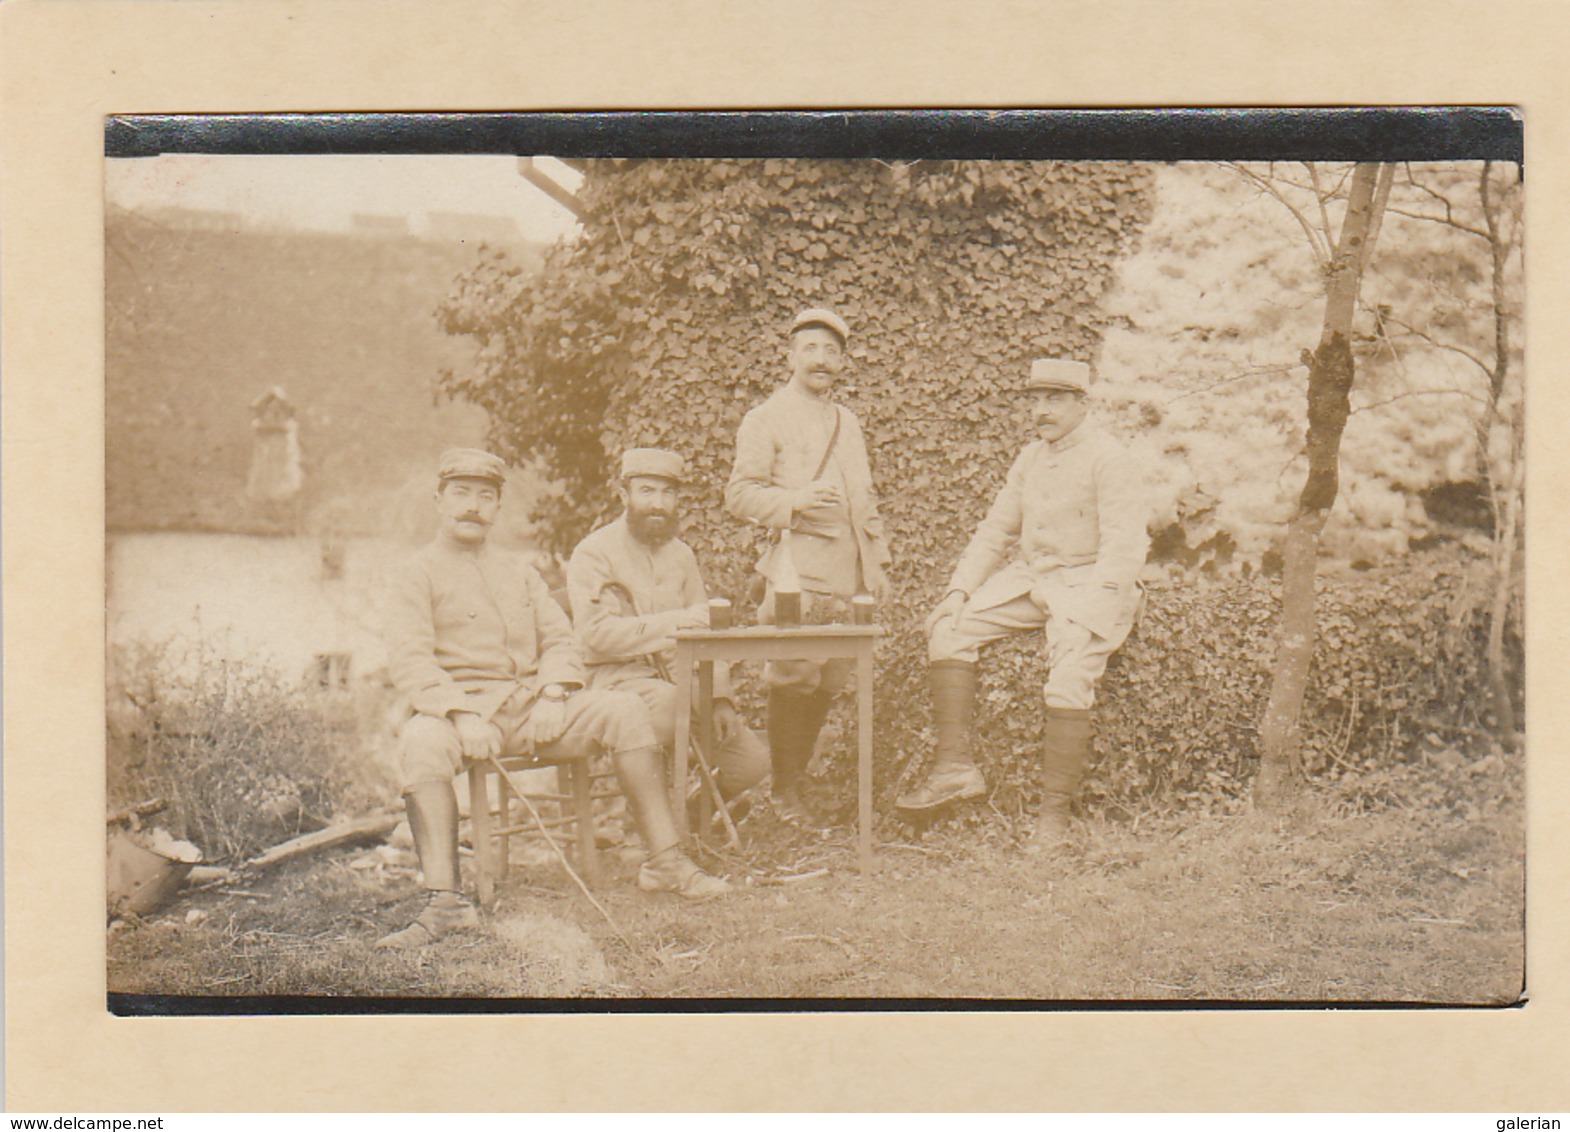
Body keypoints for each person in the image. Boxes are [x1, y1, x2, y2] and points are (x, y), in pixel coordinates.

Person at [376, 448, 728, 948]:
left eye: (485, 497)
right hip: (460, 709)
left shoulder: (518, 571)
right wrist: (459, 713)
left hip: (531, 703)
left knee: (625, 710)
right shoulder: (416, 572)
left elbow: (563, 641)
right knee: (420, 742)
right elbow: (410, 660)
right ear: (439, 500)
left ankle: (665, 862)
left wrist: (555, 692)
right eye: (461, 494)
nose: (472, 507)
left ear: (498, 507)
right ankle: (445, 904)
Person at [896, 359, 1150, 853]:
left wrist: (1091, 618)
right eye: (1035, 399)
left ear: (1083, 403)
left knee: (1070, 673)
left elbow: (1124, 548)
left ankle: (1052, 820)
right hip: (1035, 580)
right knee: (949, 629)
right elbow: (995, 531)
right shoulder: (1030, 458)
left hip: (1093, 581)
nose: (1041, 410)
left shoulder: (1109, 457)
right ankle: (954, 768)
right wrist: (957, 592)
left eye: (1054, 399)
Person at [726, 307, 891, 823]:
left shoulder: (848, 421)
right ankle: (781, 791)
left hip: (848, 574)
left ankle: (791, 784)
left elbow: (865, 499)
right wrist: (794, 500)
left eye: (832, 351)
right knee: (793, 676)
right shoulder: (765, 417)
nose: (821, 360)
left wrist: (878, 563)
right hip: (798, 575)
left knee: (829, 680)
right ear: (791, 355)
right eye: (811, 349)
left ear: (842, 360)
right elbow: (739, 495)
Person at [567, 448, 769, 818]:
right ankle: (653, 832)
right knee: (666, 708)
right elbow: (597, 635)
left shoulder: (682, 555)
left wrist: (719, 697)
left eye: (667, 493)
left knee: (751, 761)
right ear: (624, 494)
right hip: (614, 680)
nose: (657, 504)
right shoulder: (594, 552)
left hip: (678, 679)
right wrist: (676, 623)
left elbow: (704, 630)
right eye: (647, 491)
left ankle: (689, 817)